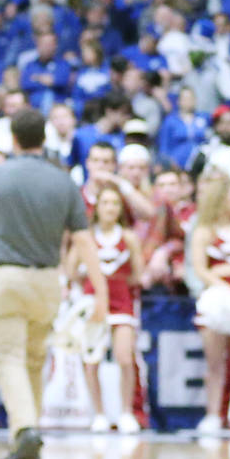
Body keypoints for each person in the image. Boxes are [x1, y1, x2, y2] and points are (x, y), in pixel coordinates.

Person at [0, 107, 90, 459]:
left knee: (9, 358)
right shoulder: (64, 181)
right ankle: (30, 430)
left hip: (7, 276)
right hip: (48, 279)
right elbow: (84, 241)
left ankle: (24, 428)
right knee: (36, 359)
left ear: (14, 139)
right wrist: (97, 286)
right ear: (45, 137)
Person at [185, 167, 230, 436]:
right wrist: (225, 286)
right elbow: (200, 268)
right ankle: (213, 414)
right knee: (215, 363)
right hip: (215, 299)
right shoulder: (204, 231)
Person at [84, 183, 146, 433]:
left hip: (122, 302)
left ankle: (126, 412)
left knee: (124, 356)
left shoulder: (128, 238)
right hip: (93, 303)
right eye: (105, 203)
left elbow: (137, 274)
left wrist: (117, 285)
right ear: (96, 208)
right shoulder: (86, 238)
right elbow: (69, 268)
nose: (110, 208)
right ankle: (98, 413)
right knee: (92, 359)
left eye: (115, 203)